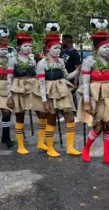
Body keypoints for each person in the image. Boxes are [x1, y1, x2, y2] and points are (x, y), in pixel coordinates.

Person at [33, 21, 80, 157]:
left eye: (59, 48)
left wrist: (78, 71)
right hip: (49, 93)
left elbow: (66, 76)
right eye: (55, 48)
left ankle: (70, 147)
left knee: (70, 118)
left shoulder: (61, 61)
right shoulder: (42, 64)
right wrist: (44, 101)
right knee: (51, 120)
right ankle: (49, 148)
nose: (58, 51)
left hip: (62, 90)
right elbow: (41, 84)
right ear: (48, 49)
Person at [6, 21, 48, 154]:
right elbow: (9, 79)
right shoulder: (12, 60)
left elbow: (37, 75)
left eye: (30, 46)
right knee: (20, 116)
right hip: (18, 89)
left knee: (42, 114)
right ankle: (20, 145)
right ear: (19, 47)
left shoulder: (32, 60)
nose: (29, 48)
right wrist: (9, 96)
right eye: (26, 46)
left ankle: (41, 142)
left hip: (33, 88)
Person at [77, 17, 109, 163]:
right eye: (105, 47)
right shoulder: (89, 61)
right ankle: (86, 148)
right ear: (95, 49)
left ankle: (106, 155)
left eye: (108, 46)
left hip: (108, 96)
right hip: (95, 97)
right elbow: (85, 83)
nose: (108, 49)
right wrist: (87, 102)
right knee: (98, 126)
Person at [61, 34, 81, 109]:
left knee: (72, 96)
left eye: (62, 41)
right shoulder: (65, 52)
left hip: (72, 79)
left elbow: (78, 68)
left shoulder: (74, 53)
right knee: (67, 96)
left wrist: (76, 81)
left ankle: (75, 111)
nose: (62, 43)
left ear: (67, 42)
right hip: (65, 78)